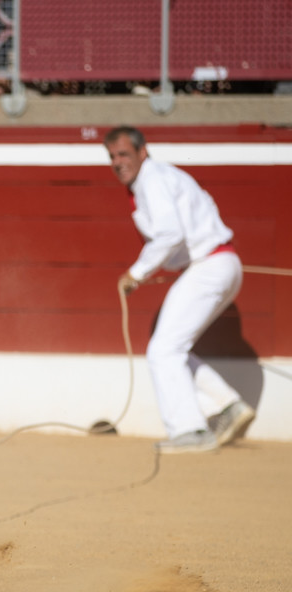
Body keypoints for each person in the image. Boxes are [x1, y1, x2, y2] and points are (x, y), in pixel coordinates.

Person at [104, 126, 256, 453]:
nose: (117, 162)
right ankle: (227, 407)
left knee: (163, 350)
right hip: (220, 263)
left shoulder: (151, 179)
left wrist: (137, 273)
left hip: (209, 266)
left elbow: (170, 233)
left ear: (142, 152)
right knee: (173, 347)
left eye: (123, 154)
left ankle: (190, 430)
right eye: (112, 156)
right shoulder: (163, 175)